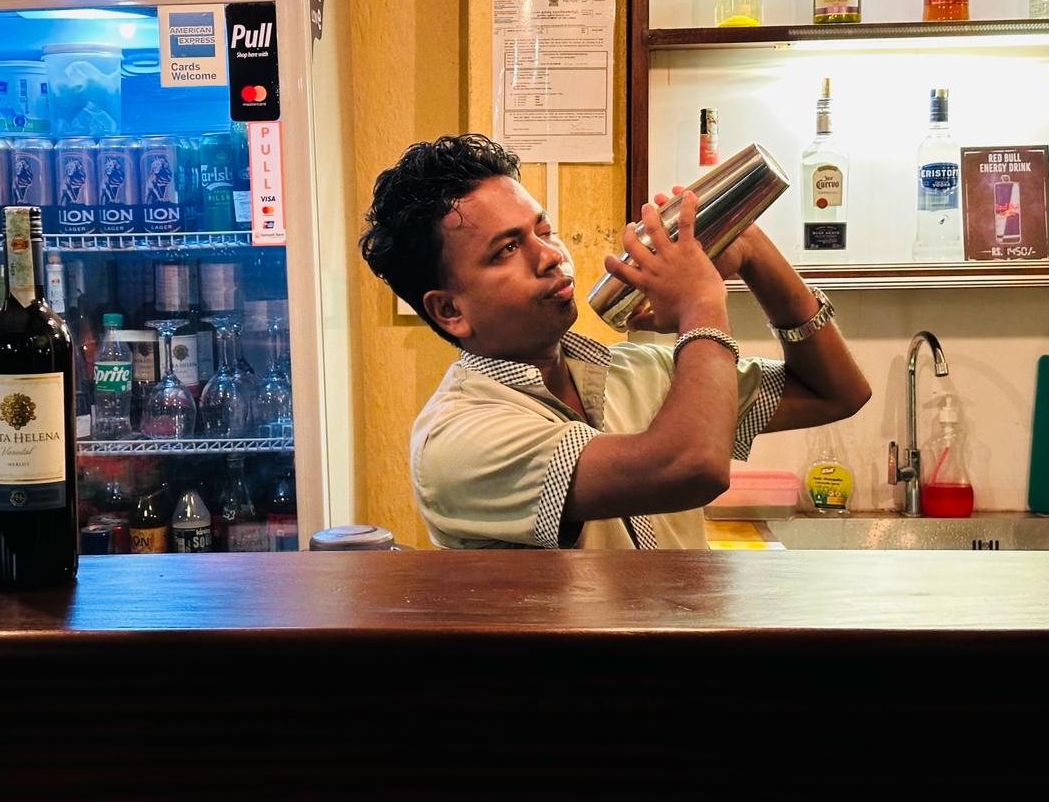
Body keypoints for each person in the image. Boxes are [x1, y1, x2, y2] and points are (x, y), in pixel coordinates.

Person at [359, 134, 871, 550]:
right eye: (507, 249)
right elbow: (690, 467)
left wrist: (753, 251)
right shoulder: (458, 439)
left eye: (544, 229)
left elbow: (836, 393)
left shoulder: (639, 371)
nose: (550, 255)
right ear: (450, 311)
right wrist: (700, 306)